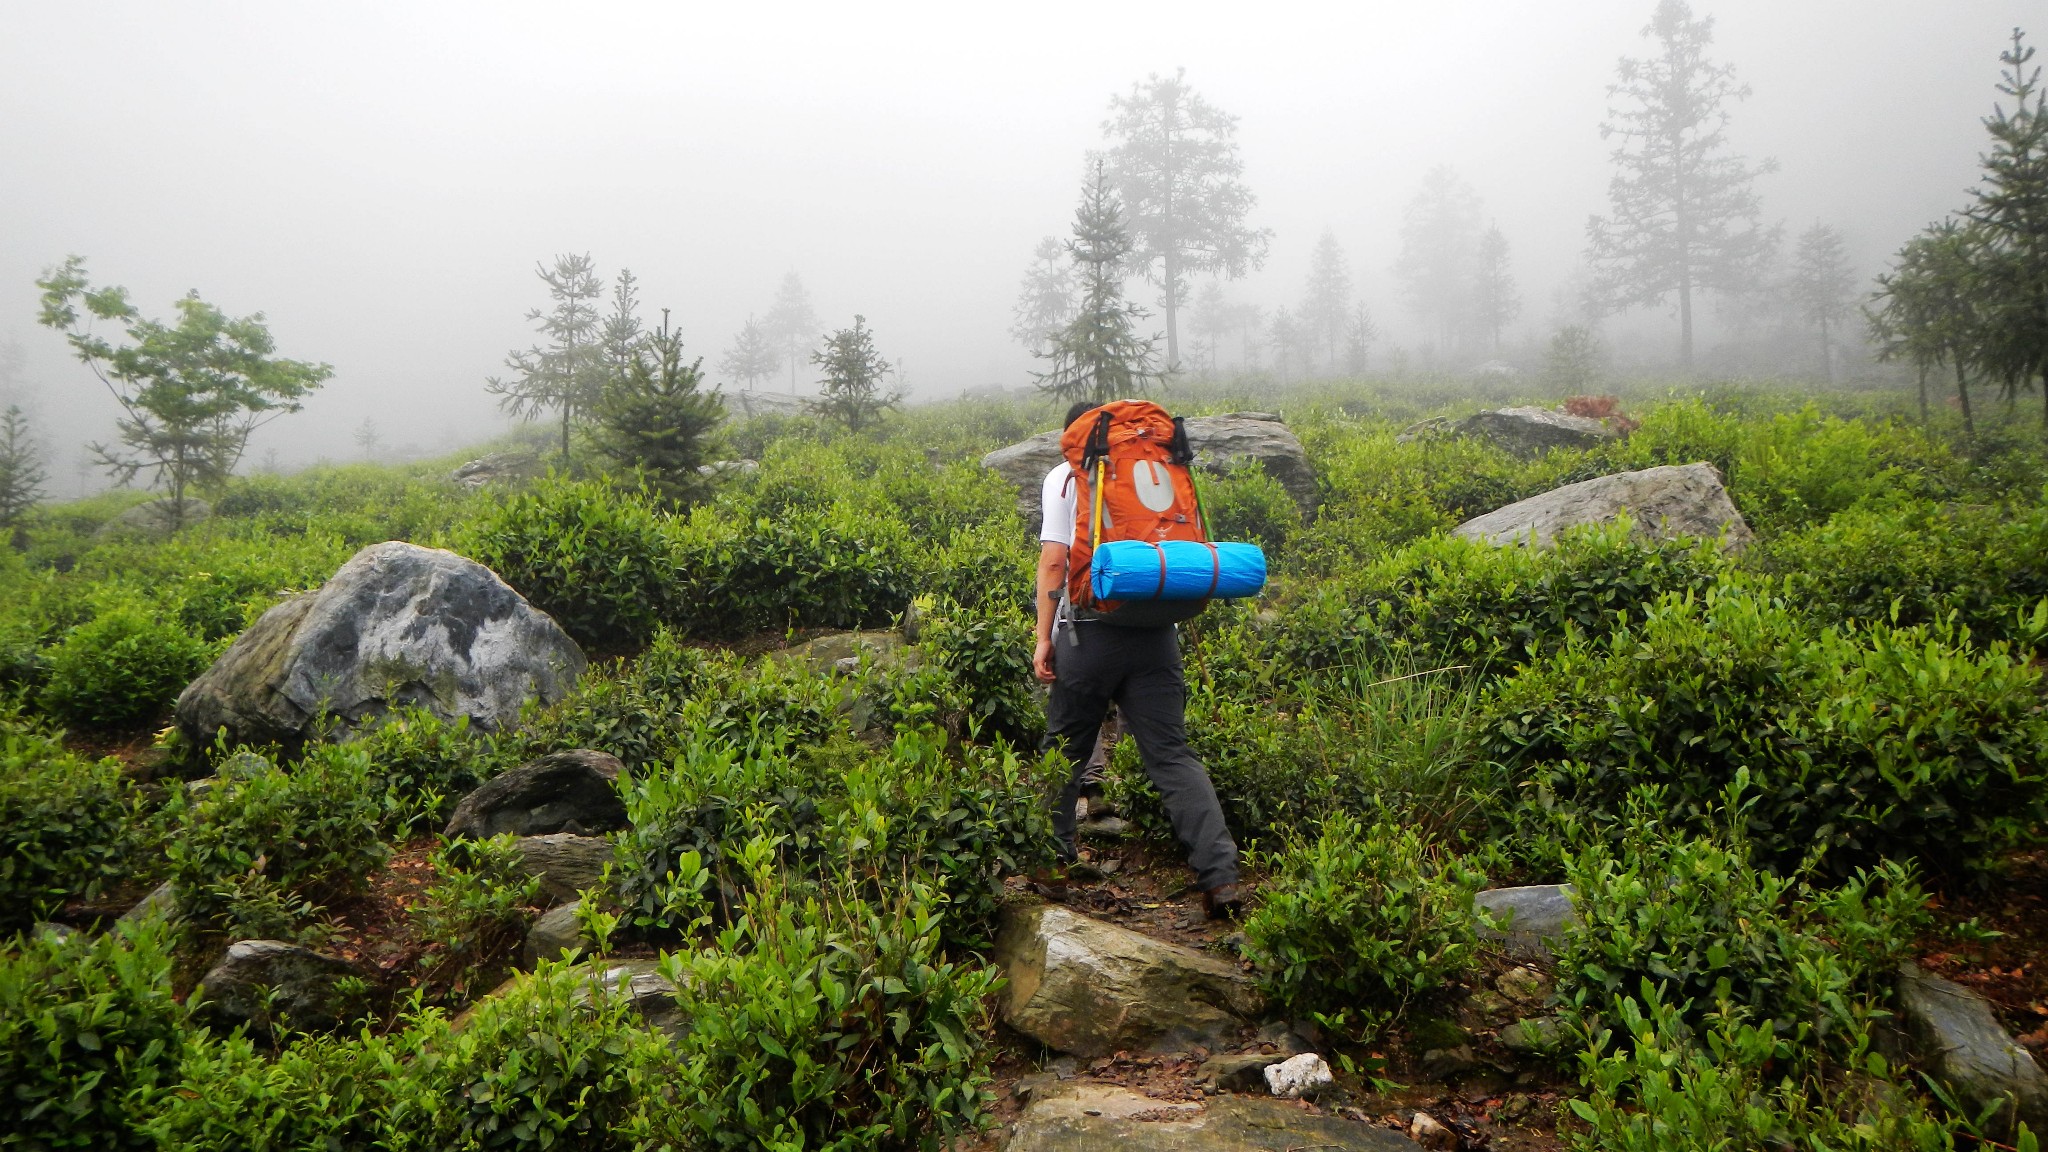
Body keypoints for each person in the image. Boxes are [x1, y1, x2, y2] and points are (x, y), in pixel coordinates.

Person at [1032, 400, 1244, 919]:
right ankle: (1221, 880)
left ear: (1078, 438)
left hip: (1090, 633)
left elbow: (1056, 559)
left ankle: (1052, 867)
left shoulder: (1068, 475)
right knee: (1172, 756)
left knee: (1063, 750)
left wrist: (1043, 637)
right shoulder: (1162, 467)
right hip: (1156, 631)